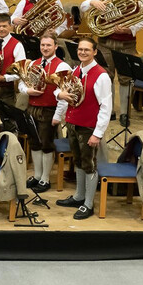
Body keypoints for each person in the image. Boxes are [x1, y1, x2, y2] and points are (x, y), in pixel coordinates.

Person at [81, 0, 143, 126]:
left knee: (126, 79)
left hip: (127, 43)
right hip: (106, 43)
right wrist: (93, 1)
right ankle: (108, 110)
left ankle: (125, 114)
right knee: (106, 77)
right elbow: (84, 6)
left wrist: (130, 28)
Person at [54, 37, 112, 219]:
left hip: (89, 127)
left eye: (87, 50)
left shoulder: (101, 75)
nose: (83, 52)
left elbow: (106, 107)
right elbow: (59, 89)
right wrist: (60, 94)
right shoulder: (75, 70)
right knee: (78, 161)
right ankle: (79, 196)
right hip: (73, 124)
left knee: (89, 165)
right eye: (80, 49)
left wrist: (98, 134)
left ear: (95, 52)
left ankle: (88, 203)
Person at [17, 31, 70, 193]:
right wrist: (28, 91)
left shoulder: (62, 66)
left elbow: (64, 92)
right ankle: (37, 175)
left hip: (49, 109)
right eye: (43, 45)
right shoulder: (34, 63)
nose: (45, 48)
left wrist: (57, 116)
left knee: (46, 144)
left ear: (55, 46)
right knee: (34, 142)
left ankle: (45, 178)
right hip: (32, 107)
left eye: (48, 45)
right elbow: (21, 84)